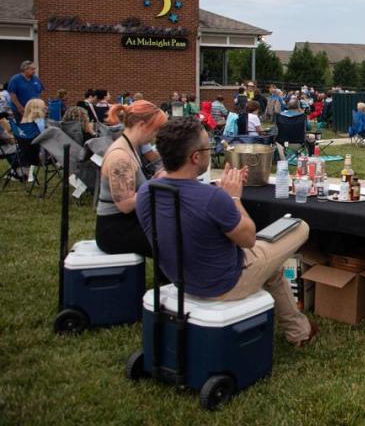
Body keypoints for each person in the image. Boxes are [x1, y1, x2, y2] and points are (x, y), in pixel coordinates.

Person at [136, 118, 316, 347]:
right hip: (225, 282)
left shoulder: (146, 192)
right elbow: (248, 239)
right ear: (195, 157)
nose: (211, 153)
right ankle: (299, 333)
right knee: (300, 226)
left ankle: (300, 332)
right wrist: (234, 198)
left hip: (181, 277)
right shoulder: (213, 198)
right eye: (208, 148)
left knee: (272, 269)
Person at [96, 101, 168, 256]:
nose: (155, 136)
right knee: (174, 240)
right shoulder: (120, 157)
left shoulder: (130, 148)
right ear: (142, 125)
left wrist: (155, 180)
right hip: (116, 231)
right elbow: (125, 204)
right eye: (155, 130)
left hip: (124, 223)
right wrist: (156, 186)